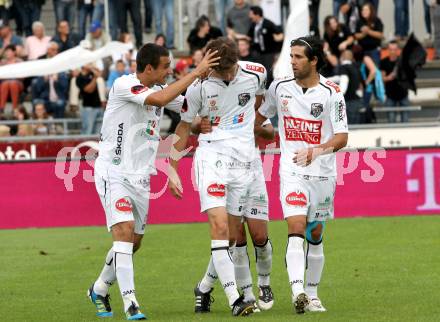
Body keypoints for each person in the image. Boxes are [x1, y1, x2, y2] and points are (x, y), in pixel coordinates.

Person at [87, 43, 219, 319]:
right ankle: (130, 303)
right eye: (165, 67)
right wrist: (195, 72)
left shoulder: (161, 91)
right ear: (149, 68)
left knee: (133, 242)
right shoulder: (125, 85)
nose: (169, 71)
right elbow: (160, 101)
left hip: (141, 176)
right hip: (114, 172)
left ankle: (99, 287)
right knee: (123, 231)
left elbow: (184, 108)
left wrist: (196, 123)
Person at [168, 37, 267, 317]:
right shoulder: (198, 87)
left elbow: (258, 105)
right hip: (211, 158)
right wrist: (172, 167)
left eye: (227, 69)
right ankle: (236, 299)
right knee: (220, 227)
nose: (222, 74)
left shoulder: (256, 73)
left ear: (236, 62)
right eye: (217, 69)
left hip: (244, 162)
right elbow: (185, 127)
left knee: (233, 238)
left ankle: (204, 287)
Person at [255, 36, 348, 314]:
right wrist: (271, 133)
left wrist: (315, 151)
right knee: (294, 227)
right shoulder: (280, 88)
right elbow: (260, 121)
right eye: (291, 56)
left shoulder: (332, 93)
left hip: (322, 174)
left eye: (298, 57)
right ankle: (298, 293)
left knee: (315, 233)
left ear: (314, 60)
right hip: (292, 170)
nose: (292, 62)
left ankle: (312, 293)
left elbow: (342, 137)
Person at [193, 115, 275, 312]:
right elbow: (193, 124)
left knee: (260, 235)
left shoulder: (249, 96)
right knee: (233, 238)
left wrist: (253, 127)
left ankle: (262, 283)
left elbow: (270, 132)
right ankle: (247, 296)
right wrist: (200, 125)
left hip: (252, 169)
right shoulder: (211, 94)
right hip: (222, 168)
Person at [380, 40, 409, 123]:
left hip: (403, 94)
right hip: (390, 95)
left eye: (395, 49)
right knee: (391, 121)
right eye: (391, 49)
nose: (393, 51)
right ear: (388, 50)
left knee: (405, 121)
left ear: (398, 50)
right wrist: (389, 77)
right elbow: (382, 78)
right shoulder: (383, 62)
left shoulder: (403, 61)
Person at [76, 64, 106, 134]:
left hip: (99, 107)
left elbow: (100, 74)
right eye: (88, 63)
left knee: (99, 133)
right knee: (88, 131)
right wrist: (95, 78)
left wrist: (95, 69)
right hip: (88, 108)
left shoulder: (92, 73)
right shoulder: (79, 78)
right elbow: (89, 90)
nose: (90, 64)